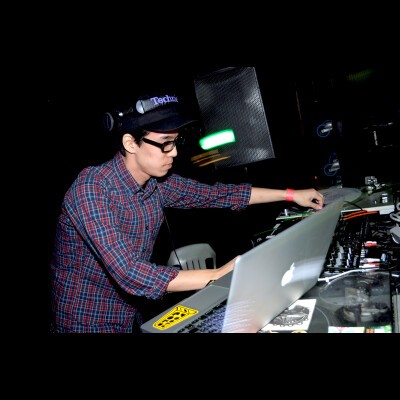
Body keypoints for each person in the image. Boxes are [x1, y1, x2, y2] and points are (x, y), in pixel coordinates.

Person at [50, 89, 325, 333]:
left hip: (130, 314)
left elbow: (220, 195)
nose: (173, 153)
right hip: (85, 318)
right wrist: (217, 275)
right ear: (130, 143)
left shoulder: (157, 184)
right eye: (165, 143)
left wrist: (291, 194)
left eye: (176, 142)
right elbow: (129, 272)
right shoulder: (91, 188)